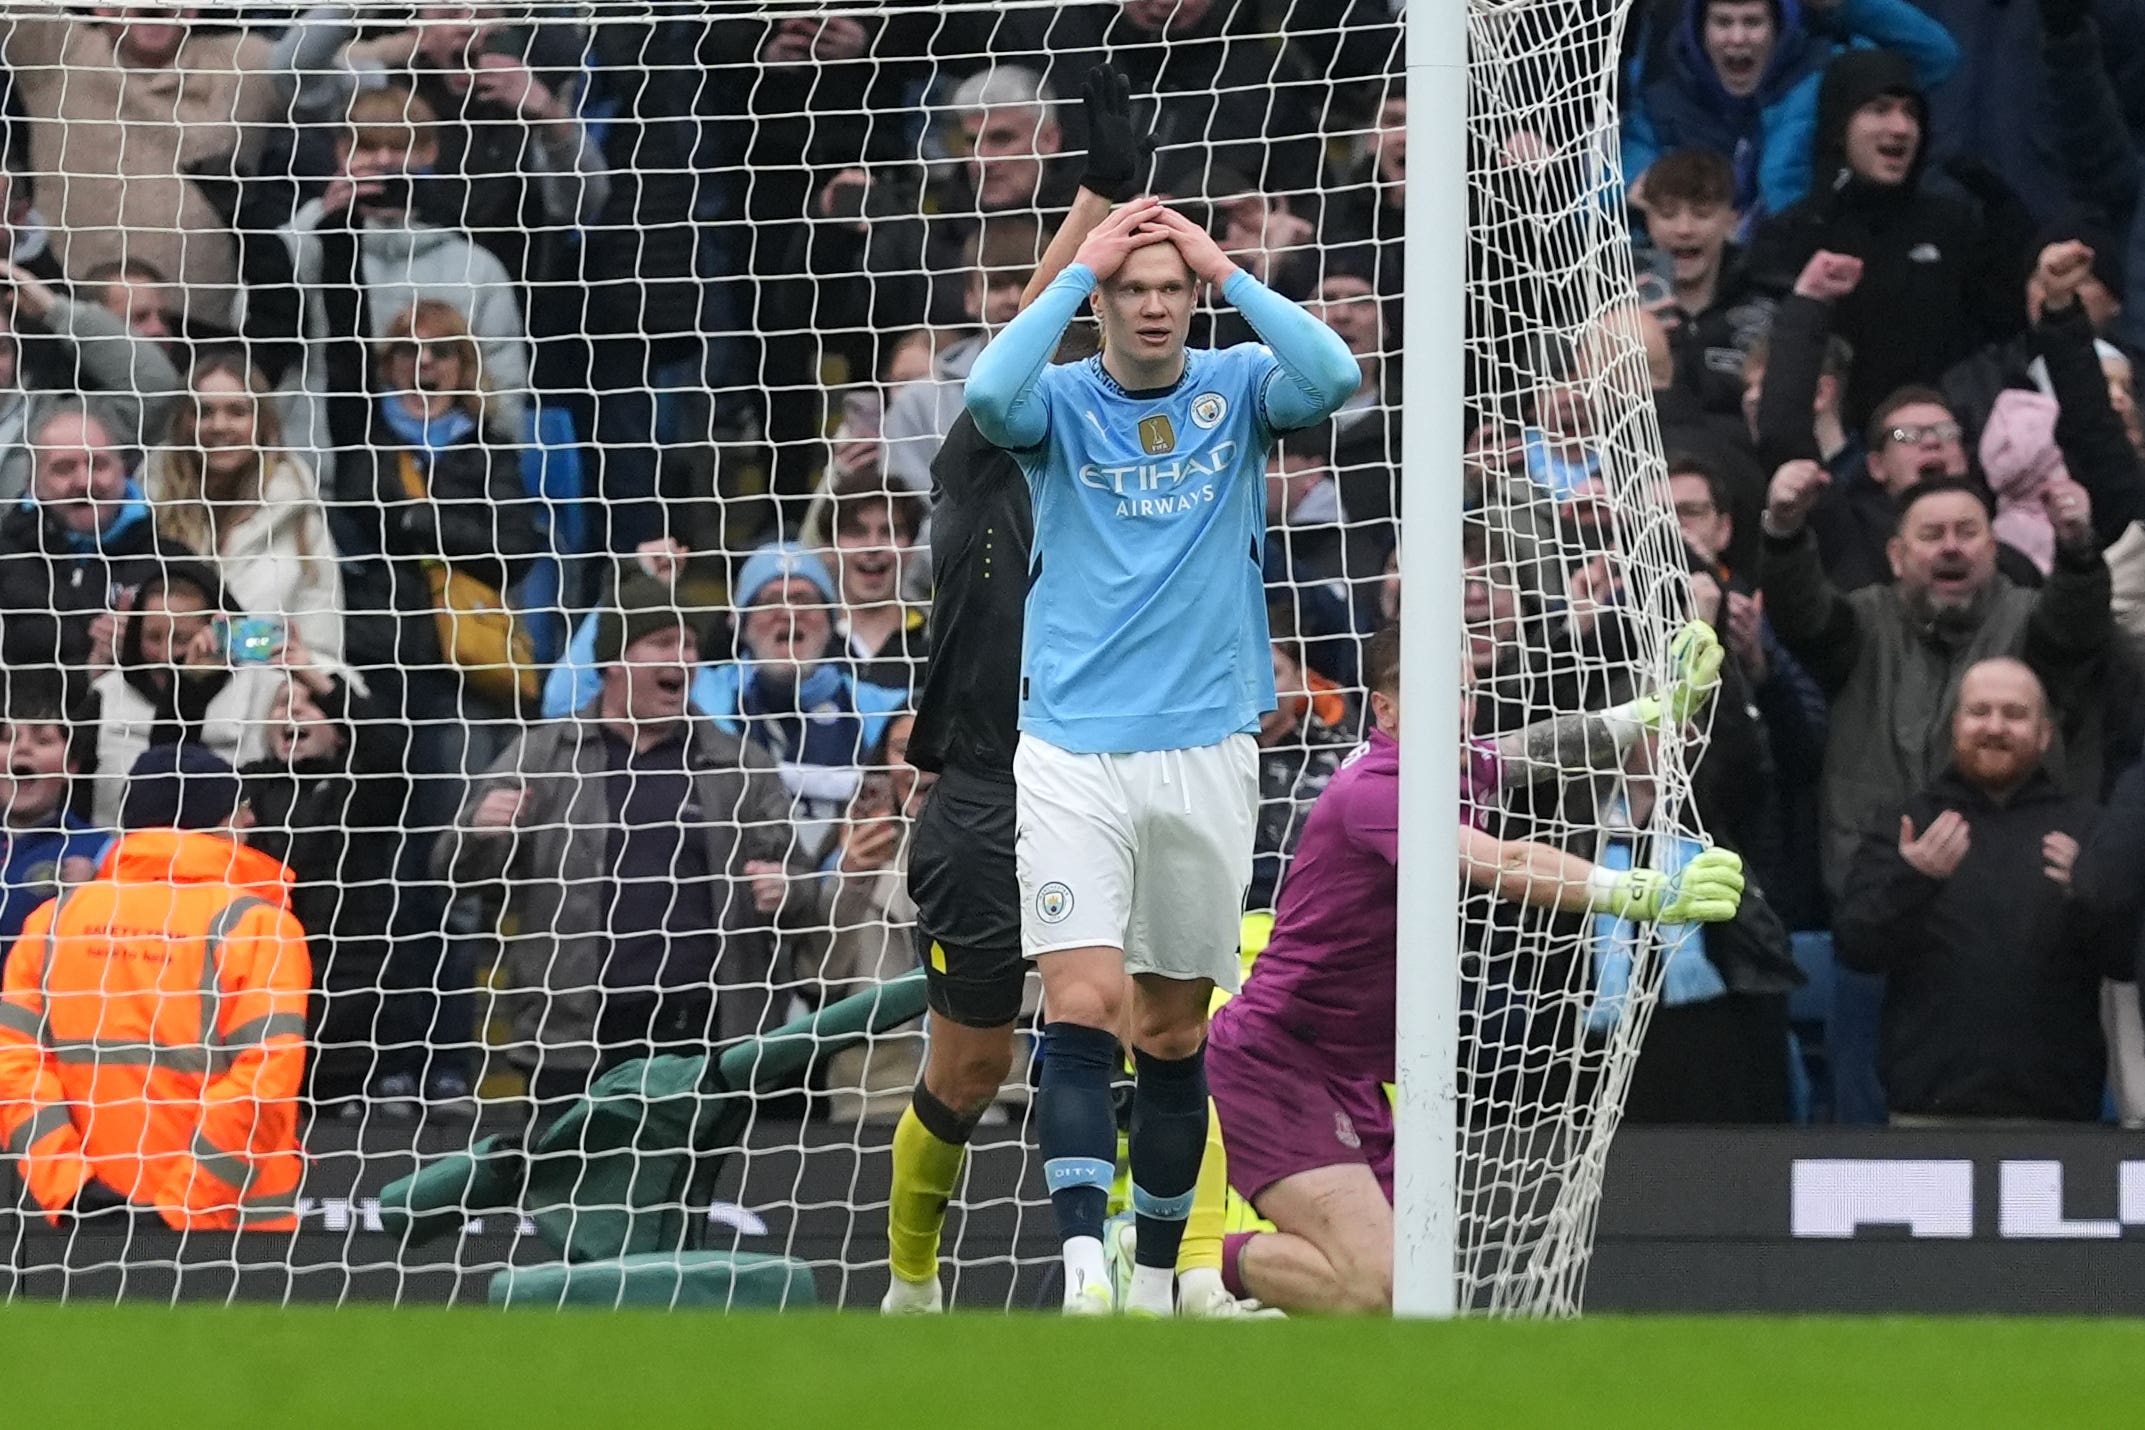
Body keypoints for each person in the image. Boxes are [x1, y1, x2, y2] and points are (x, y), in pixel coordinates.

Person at [963, 192, 1358, 1316]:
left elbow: (1331, 379)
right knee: (1083, 1001)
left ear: (1192, 302)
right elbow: (988, 395)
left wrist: (1228, 269)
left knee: (1174, 1024)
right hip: (1073, 750)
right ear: (1101, 306)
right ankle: (1086, 1264)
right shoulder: (1063, 405)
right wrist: (1076, 269)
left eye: (1166, 290)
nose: (1150, 306)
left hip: (1205, 748)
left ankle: (1158, 1271)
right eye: (1130, 291)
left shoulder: (1238, 391)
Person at [1206, 628, 1745, 1313]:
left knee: (1400, 1303)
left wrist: (1651, 712)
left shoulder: (1451, 765)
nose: (1456, 709)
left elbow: (1536, 749)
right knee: (1384, 1291)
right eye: (1432, 693)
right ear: (1385, 710)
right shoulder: (1376, 791)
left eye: (1462, 693)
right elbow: (1508, 862)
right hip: (1276, 1057)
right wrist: (1641, 892)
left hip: (1351, 1068)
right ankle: (1173, 1260)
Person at [436, 579, 802, 1116]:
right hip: (574, 1042)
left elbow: (801, 881)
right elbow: (451, 872)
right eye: (661, 643)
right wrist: (482, 831)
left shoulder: (738, 762)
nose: (681, 658)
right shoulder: (546, 752)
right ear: (613, 660)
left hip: (708, 1035)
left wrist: (787, 890)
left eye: (689, 645)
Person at [0, 743, 310, 1231]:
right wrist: (184, 1203)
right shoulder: (256, 926)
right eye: (240, 808)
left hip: (86, 1229)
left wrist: (72, 1187)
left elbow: (14, 1068)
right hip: (238, 1236)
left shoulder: (53, 922)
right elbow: (265, 1079)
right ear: (212, 820)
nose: (249, 822)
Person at [1761, 470, 2112, 898]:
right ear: (1896, 555)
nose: (1951, 546)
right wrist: (1783, 532)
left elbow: (2078, 618)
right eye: (1932, 534)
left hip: (2014, 893)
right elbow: (1800, 612)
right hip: (1877, 884)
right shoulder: (1864, 623)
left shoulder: (2033, 622)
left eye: (1966, 532)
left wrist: (2078, 550)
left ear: (1993, 549)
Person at [1836, 658, 2128, 1122]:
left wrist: (2091, 891)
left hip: (2057, 1119)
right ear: (1955, 727)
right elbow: (1856, 947)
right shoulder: (1908, 824)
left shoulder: (2088, 829)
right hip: (1928, 1114)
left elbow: (2126, 962)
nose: (1994, 727)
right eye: (1979, 712)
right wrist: (1912, 881)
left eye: (2014, 714)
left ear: (2045, 734)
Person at [1747, 46, 2030, 428]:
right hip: (1828, 450)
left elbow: (2006, 326)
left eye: (1911, 112)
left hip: (1936, 441)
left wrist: (2006, 213)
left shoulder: (1953, 224)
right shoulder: (1792, 233)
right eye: (1879, 109)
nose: (1900, 127)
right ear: (1839, 124)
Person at [0, 8, 282, 329]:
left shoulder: (244, 62)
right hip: (68, 330)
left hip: (200, 347)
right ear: (100, 6)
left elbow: (344, 64)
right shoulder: (53, 49)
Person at [1620, 0, 1959, 225]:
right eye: (1723, 23)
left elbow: (1935, 59)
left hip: (1800, 263)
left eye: (1753, 22)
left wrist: (1845, 4)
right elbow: (1596, 196)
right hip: (1691, 275)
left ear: (1778, 28)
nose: (1737, 38)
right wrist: (1633, 192)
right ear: (1699, 31)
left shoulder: (1824, 73)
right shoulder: (1660, 93)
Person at [239, 665, 408, 1113]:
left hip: (343, 1011)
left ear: (341, 732)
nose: (293, 707)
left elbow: (388, 749)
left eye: (309, 700)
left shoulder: (363, 793)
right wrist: (193, 690)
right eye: (281, 701)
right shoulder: (242, 788)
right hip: (254, 1003)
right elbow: (169, 780)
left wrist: (315, 674)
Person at [77, 561, 330, 830]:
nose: (165, 655)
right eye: (153, 637)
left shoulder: (270, 691)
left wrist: (194, 686)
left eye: (182, 639)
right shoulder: (105, 695)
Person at [145, 350, 346, 662]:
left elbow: (318, 646)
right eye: (204, 412)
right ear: (184, 421)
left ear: (261, 423)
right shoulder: (146, 500)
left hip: (265, 694)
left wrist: (227, 642)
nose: (219, 426)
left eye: (237, 412)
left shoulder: (297, 509)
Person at [0, 403, 171, 697]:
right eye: (63, 468)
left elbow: (247, 642)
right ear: (33, 484)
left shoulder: (169, 560)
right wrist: (86, 675)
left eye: (99, 465)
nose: (84, 482)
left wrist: (152, 648)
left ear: (124, 472)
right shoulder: (6, 558)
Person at [0, 260, 182, 503]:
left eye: (1, 349)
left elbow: (154, 388)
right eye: (139, 316)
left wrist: (54, 309)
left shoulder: (59, 422)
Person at [0, 688, 100, 943]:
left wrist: (95, 891)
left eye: (42, 741)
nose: (22, 748)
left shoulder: (97, 850)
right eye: (9, 739)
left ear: (71, 766)